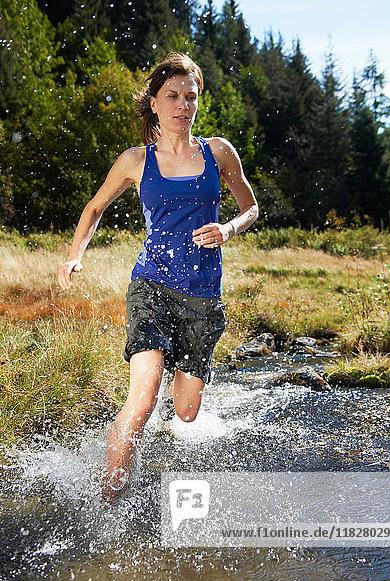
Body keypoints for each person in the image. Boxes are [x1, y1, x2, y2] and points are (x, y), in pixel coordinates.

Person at [58, 52, 258, 503]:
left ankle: (172, 401)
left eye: (191, 96)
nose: (182, 105)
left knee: (185, 413)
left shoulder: (219, 153)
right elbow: (94, 208)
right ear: (153, 103)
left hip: (203, 298)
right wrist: (74, 256)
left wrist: (227, 228)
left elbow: (252, 207)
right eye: (172, 96)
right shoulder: (135, 160)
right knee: (143, 400)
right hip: (151, 285)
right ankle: (111, 501)